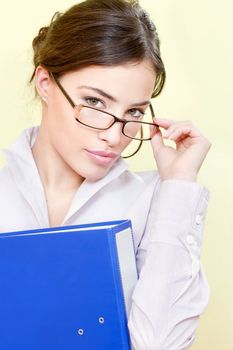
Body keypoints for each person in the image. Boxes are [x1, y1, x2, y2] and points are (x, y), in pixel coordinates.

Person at [0, 0, 211, 348]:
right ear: (45, 83)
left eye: (133, 111)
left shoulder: (153, 201)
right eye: (95, 102)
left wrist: (178, 187)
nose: (114, 136)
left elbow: (160, 344)